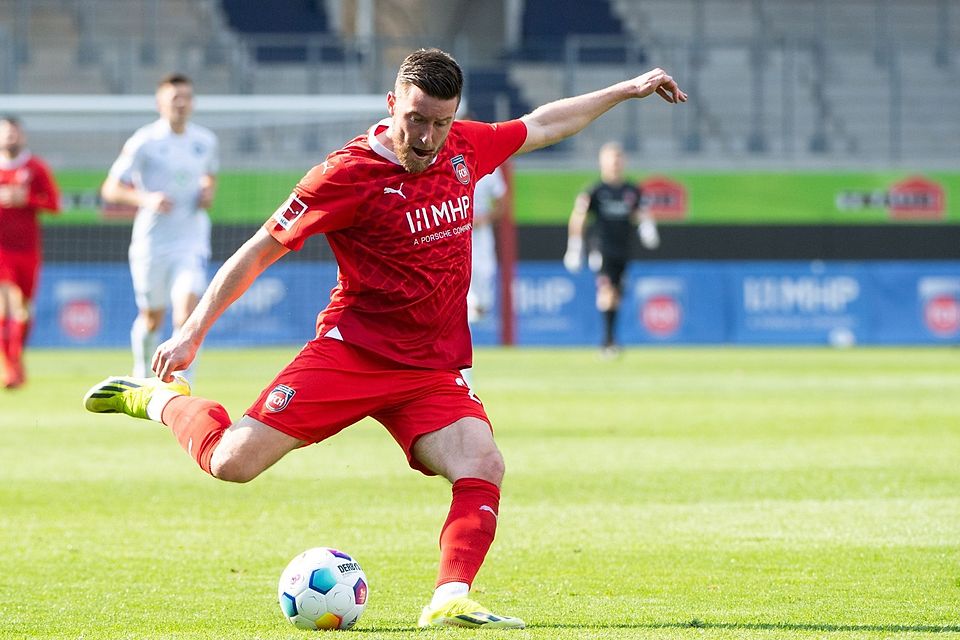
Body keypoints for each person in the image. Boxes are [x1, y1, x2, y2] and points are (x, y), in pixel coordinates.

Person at [84, 49, 685, 629]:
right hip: (352, 354)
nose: (426, 137)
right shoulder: (345, 174)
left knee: (483, 463)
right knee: (231, 463)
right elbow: (261, 249)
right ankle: (159, 401)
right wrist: (191, 331)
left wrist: (624, 90)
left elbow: (543, 123)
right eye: (415, 120)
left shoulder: (465, 147)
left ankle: (450, 599)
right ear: (391, 103)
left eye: (441, 123)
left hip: (429, 369)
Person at [101, 73, 219, 382]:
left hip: (191, 240)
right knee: (152, 318)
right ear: (160, 103)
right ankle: (142, 374)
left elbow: (209, 177)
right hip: (152, 243)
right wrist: (145, 198)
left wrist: (207, 192)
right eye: (174, 98)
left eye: (186, 97)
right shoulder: (145, 141)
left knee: (187, 315)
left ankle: (182, 384)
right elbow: (110, 189)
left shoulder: (205, 141)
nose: (181, 103)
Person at [563, 142, 660, 356]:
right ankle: (606, 342)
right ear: (602, 162)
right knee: (606, 290)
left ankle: (611, 339)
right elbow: (579, 217)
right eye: (611, 159)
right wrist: (574, 246)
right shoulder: (595, 191)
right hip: (602, 248)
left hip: (623, 248)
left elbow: (641, 212)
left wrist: (647, 228)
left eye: (618, 159)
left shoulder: (632, 190)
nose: (615, 164)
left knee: (616, 294)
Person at [0, 115, 61, 389]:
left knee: (23, 313)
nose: (9, 138)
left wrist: (27, 200)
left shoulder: (35, 168)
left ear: (21, 136)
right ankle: (10, 369)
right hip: (2, 252)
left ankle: (16, 360)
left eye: (14, 133)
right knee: (6, 305)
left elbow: (54, 204)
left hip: (28, 251)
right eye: (5, 133)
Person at [467, 165, 507, 324]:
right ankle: (469, 310)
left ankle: (481, 310)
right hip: (454, 230)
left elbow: (502, 203)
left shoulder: (491, 168)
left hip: (480, 231)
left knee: (484, 270)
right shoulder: (447, 162)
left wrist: (484, 219)